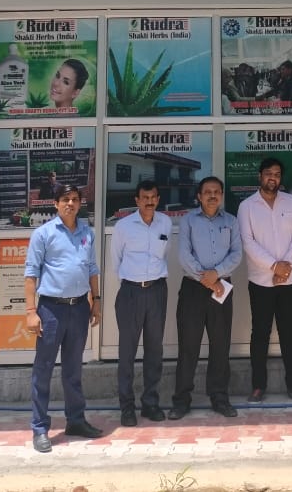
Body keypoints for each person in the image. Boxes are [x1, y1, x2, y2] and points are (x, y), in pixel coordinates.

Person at [23, 184, 104, 452]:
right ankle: (40, 428)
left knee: (73, 370)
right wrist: (30, 311)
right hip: (51, 310)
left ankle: (76, 421)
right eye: (65, 199)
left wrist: (96, 301)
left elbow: (92, 268)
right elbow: (31, 273)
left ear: (80, 203)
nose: (70, 203)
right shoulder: (43, 234)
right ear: (56, 204)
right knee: (43, 369)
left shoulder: (86, 233)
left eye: (74, 199)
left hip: (79, 308)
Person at [237, 157, 292, 404]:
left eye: (277, 174)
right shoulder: (247, 206)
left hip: (290, 279)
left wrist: (285, 266)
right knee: (260, 333)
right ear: (260, 176)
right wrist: (273, 266)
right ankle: (258, 386)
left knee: (289, 332)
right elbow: (248, 242)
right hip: (261, 281)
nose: (273, 178)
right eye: (269, 173)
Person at [170, 176, 243, 419]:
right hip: (193, 288)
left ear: (221, 195)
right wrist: (207, 279)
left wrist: (217, 276)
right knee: (188, 346)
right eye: (207, 192)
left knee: (220, 345)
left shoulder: (231, 221)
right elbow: (183, 254)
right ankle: (181, 400)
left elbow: (236, 254)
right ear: (199, 196)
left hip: (222, 287)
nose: (212, 196)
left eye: (216, 192)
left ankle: (219, 397)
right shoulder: (189, 220)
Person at [109, 179, 173, 426]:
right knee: (127, 352)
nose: (149, 202)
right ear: (137, 200)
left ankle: (150, 403)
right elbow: (116, 260)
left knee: (154, 350)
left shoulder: (165, 222)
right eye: (145, 197)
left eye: (153, 197)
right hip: (131, 294)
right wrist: (133, 281)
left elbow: (164, 255)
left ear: (158, 199)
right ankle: (127, 407)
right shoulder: (124, 226)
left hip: (157, 291)